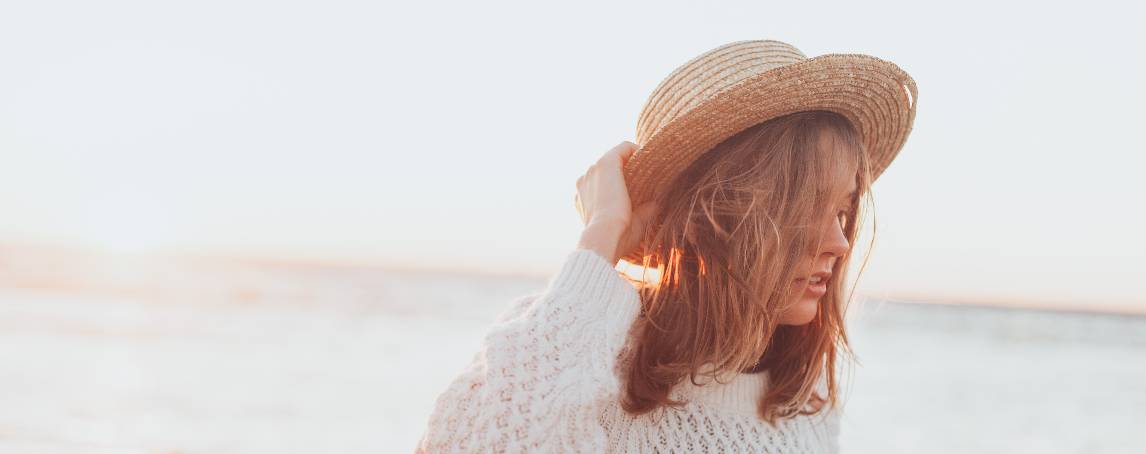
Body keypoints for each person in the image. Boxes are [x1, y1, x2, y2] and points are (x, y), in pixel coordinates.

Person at [416, 40, 917, 453]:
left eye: (844, 211)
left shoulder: (805, 402)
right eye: (805, 208)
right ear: (712, 216)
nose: (840, 242)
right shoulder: (572, 352)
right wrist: (601, 238)